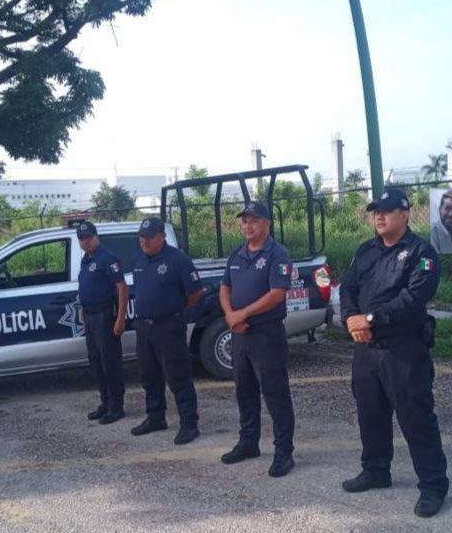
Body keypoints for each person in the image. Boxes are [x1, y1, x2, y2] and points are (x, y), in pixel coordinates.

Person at [339, 188, 450, 518]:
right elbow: (348, 288)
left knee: (416, 419)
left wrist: (371, 319)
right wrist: (351, 319)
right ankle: (376, 470)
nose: (379, 217)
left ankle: (433, 485)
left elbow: (413, 299)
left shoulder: (421, 253)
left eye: (386, 211)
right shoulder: (366, 251)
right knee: (370, 414)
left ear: (405, 214)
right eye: (376, 212)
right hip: (366, 349)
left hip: (403, 350)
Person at [219, 201, 296, 478]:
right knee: (245, 391)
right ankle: (248, 442)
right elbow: (225, 287)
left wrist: (243, 314)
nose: (247, 225)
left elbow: (277, 294)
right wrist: (230, 315)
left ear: (267, 223)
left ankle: (284, 452)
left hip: (266, 334)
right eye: (244, 220)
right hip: (240, 334)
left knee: (275, 394)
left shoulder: (277, 254)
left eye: (253, 220)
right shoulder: (237, 254)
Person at [130, 216, 206, 445]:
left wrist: (176, 310)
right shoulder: (139, 260)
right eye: (141, 238)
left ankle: (189, 424)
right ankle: (155, 417)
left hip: (168, 327)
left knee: (177, 376)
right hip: (145, 327)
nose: (144, 242)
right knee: (149, 376)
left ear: (162, 236)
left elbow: (196, 291)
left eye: (149, 237)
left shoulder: (177, 259)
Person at [76, 221, 128, 424]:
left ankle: (116, 406)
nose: (85, 242)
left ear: (96, 236)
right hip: (90, 317)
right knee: (96, 362)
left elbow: (122, 287)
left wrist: (120, 318)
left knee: (110, 362)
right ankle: (105, 403)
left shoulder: (107, 258)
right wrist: (83, 310)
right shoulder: (86, 260)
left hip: (105, 316)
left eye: (88, 237)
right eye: (82, 239)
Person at [430, 189, 452, 254]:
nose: (450, 214)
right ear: (440, 209)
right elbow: (425, 260)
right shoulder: (432, 233)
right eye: (447, 208)